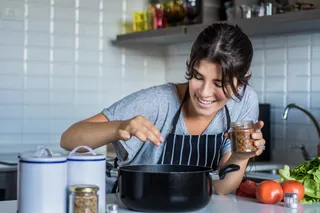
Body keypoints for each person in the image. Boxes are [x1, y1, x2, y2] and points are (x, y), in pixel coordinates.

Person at [60, 23, 266, 195]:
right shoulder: (159, 101)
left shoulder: (243, 101)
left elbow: (220, 187)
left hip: (192, 204)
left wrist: (241, 156)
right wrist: (118, 127)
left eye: (219, 83)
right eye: (198, 77)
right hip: (134, 202)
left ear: (242, 82)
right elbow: (69, 138)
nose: (204, 92)